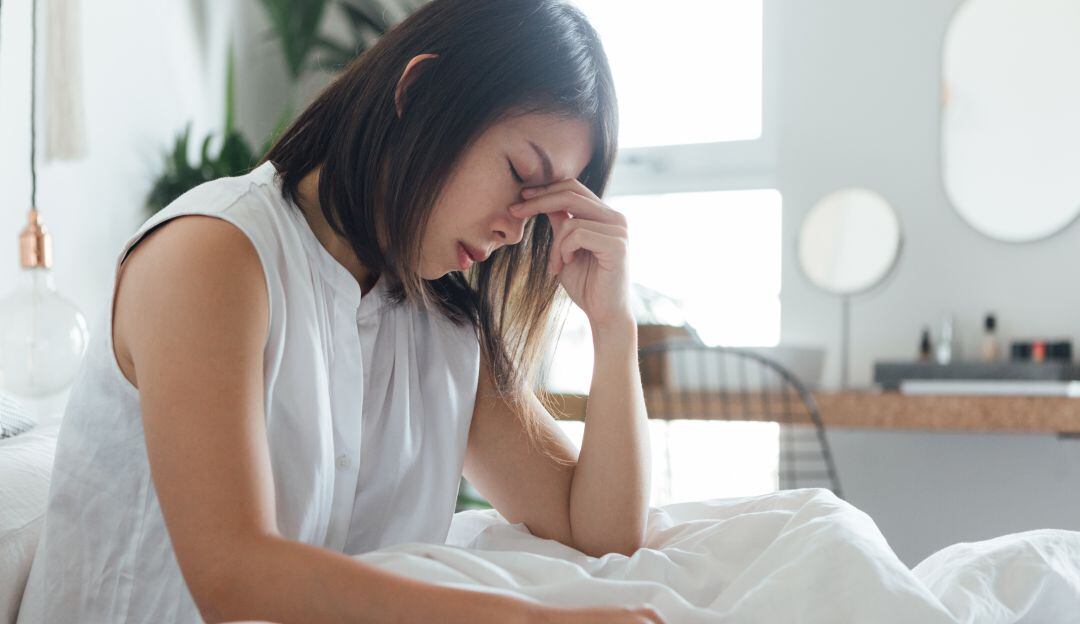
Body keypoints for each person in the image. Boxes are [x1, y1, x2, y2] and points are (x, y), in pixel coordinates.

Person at [17, 0, 661, 622]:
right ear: (420, 91)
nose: (517, 232)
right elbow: (233, 577)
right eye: (520, 171)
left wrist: (613, 325)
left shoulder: (442, 323)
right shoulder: (214, 254)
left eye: (543, 203)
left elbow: (596, 531)